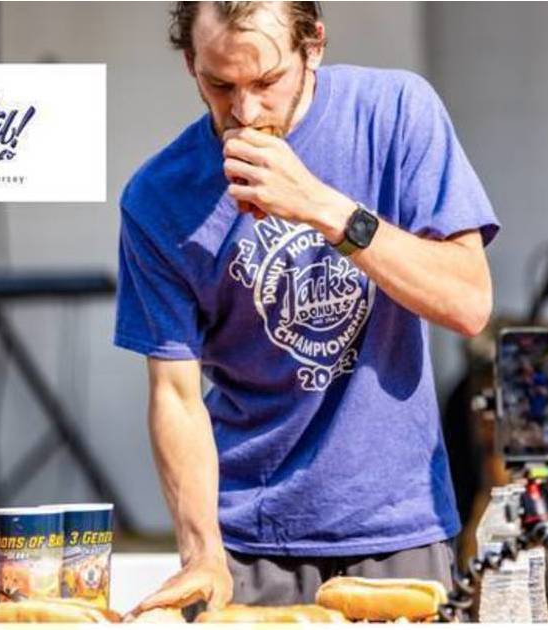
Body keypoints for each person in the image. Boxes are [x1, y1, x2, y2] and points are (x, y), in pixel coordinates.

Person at [114, 1, 498, 614]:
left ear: (313, 46)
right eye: (219, 85)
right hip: (245, 540)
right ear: (190, 63)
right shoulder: (157, 195)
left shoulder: (395, 112)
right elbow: (175, 395)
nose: (245, 112)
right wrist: (200, 551)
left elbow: (468, 301)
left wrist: (323, 207)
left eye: (267, 81)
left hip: (398, 525)